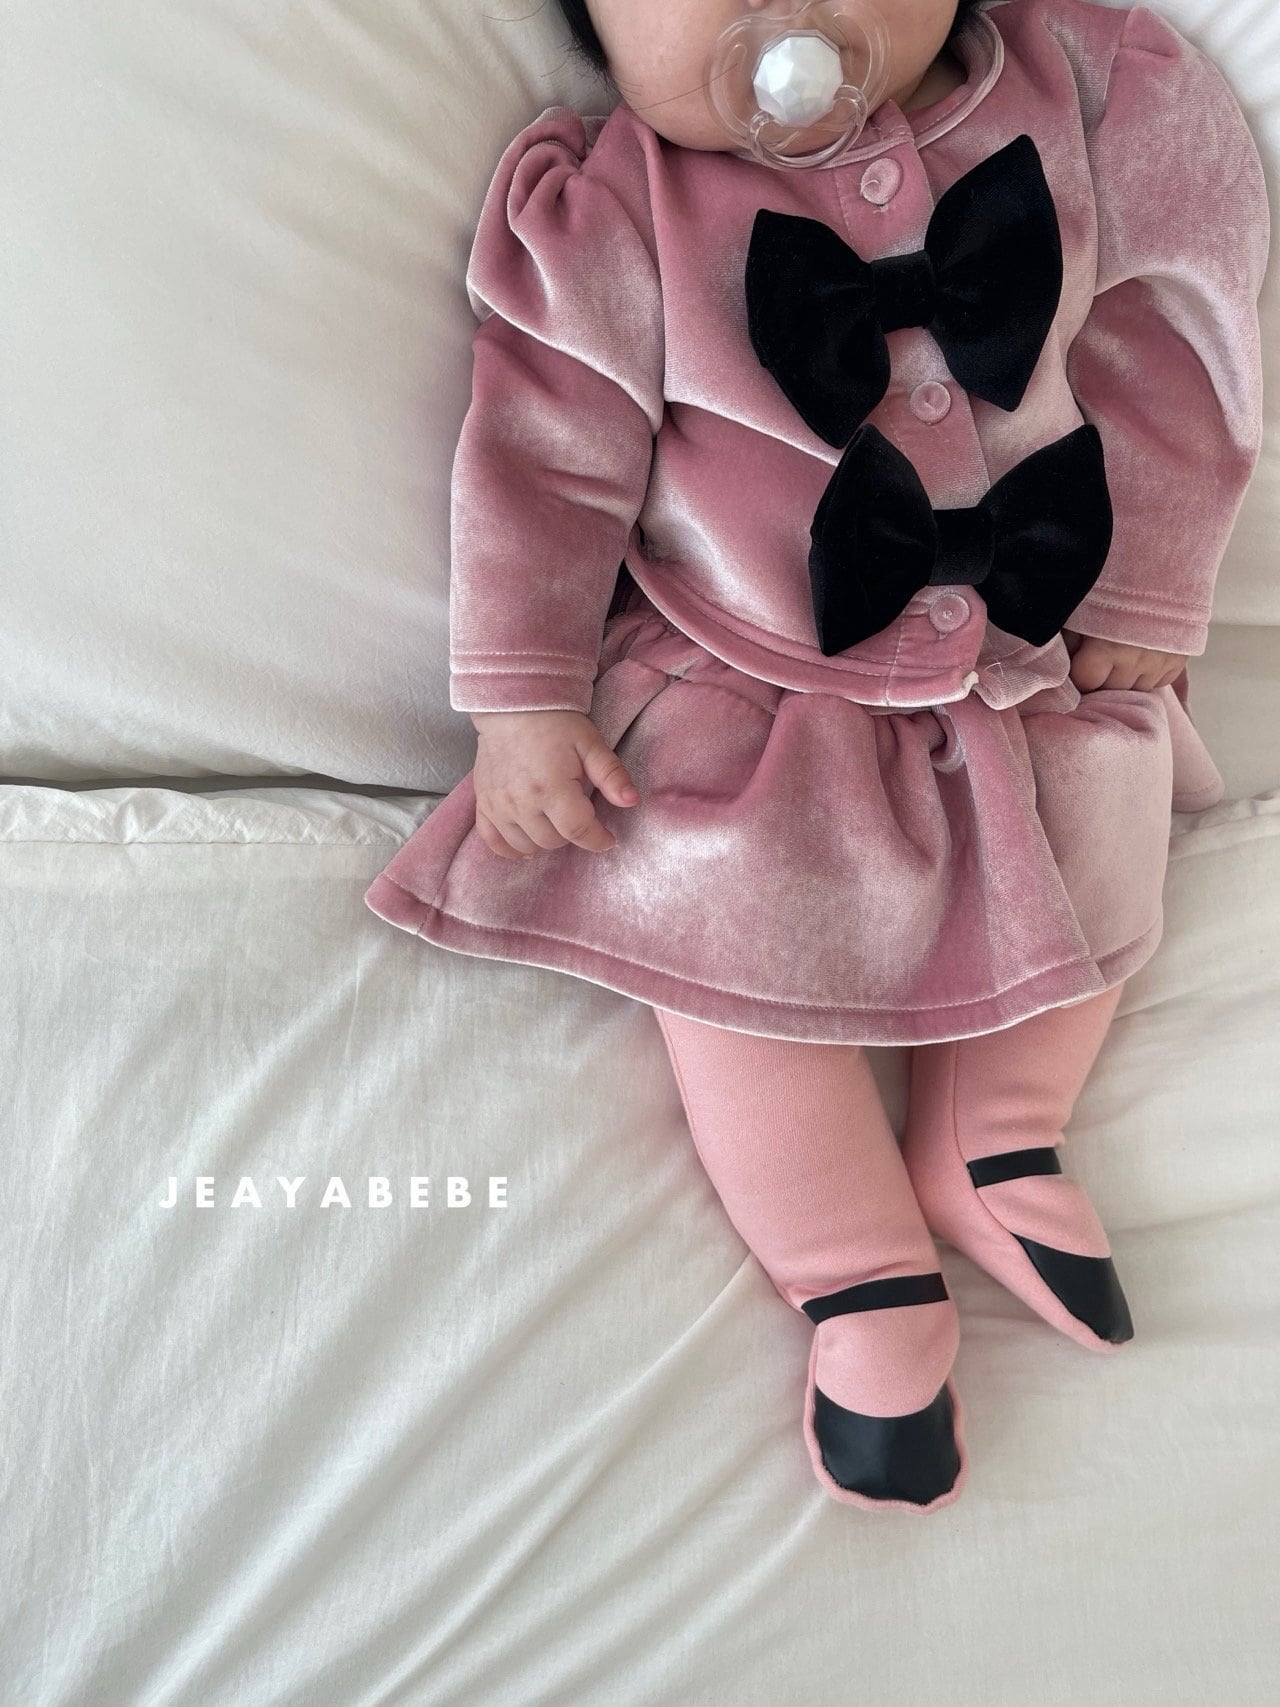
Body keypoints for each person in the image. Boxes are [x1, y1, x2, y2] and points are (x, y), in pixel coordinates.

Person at [363, 0, 1270, 1511]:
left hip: (1020, 656)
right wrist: (524, 696)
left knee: (1105, 848)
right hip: (752, 679)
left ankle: (997, 1136)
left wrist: (1154, 584)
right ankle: (858, 1281)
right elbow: (544, 459)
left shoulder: (1081, 94)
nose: (780, 12)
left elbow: (1174, 338)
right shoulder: (618, 208)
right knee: (728, 959)